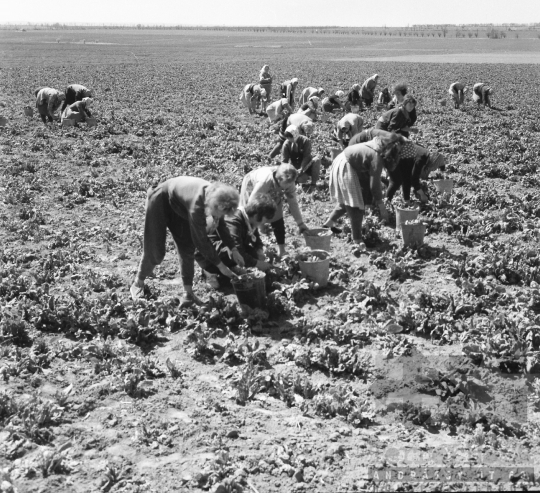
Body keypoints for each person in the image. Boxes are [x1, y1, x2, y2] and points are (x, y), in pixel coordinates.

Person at [130, 177, 243, 307]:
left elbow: (221, 225)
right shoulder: (198, 206)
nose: (219, 216)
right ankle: (137, 283)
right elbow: (201, 242)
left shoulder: (218, 197)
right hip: (160, 199)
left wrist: (233, 249)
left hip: (179, 206)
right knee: (155, 250)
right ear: (217, 205)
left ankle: (188, 294)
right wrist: (221, 267)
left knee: (187, 246)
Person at [322, 134, 403, 249]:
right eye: (397, 152)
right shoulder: (377, 155)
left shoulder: (378, 146)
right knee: (356, 206)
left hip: (343, 160)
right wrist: (381, 206)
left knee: (347, 201)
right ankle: (358, 241)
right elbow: (374, 185)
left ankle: (328, 224)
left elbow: (372, 179)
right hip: (347, 164)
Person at [196, 195, 277, 287]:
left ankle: (231, 266)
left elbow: (256, 238)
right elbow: (236, 249)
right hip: (204, 253)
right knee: (234, 252)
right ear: (256, 215)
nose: (265, 223)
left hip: (221, 248)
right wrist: (258, 264)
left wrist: (259, 250)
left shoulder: (249, 220)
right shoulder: (233, 221)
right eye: (265, 219)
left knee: (253, 253)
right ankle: (209, 271)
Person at [240, 163, 309, 257]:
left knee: (277, 217)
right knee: (251, 217)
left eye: (289, 185)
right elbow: (252, 205)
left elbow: (293, 204)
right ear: (279, 180)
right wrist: (261, 225)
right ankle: (255, 251)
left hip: (273, 187)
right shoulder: (265, 182)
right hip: (252, 185)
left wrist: (300, 223)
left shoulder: (289, 182)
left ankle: (282, 251)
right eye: (285, 186)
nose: (287, 188)